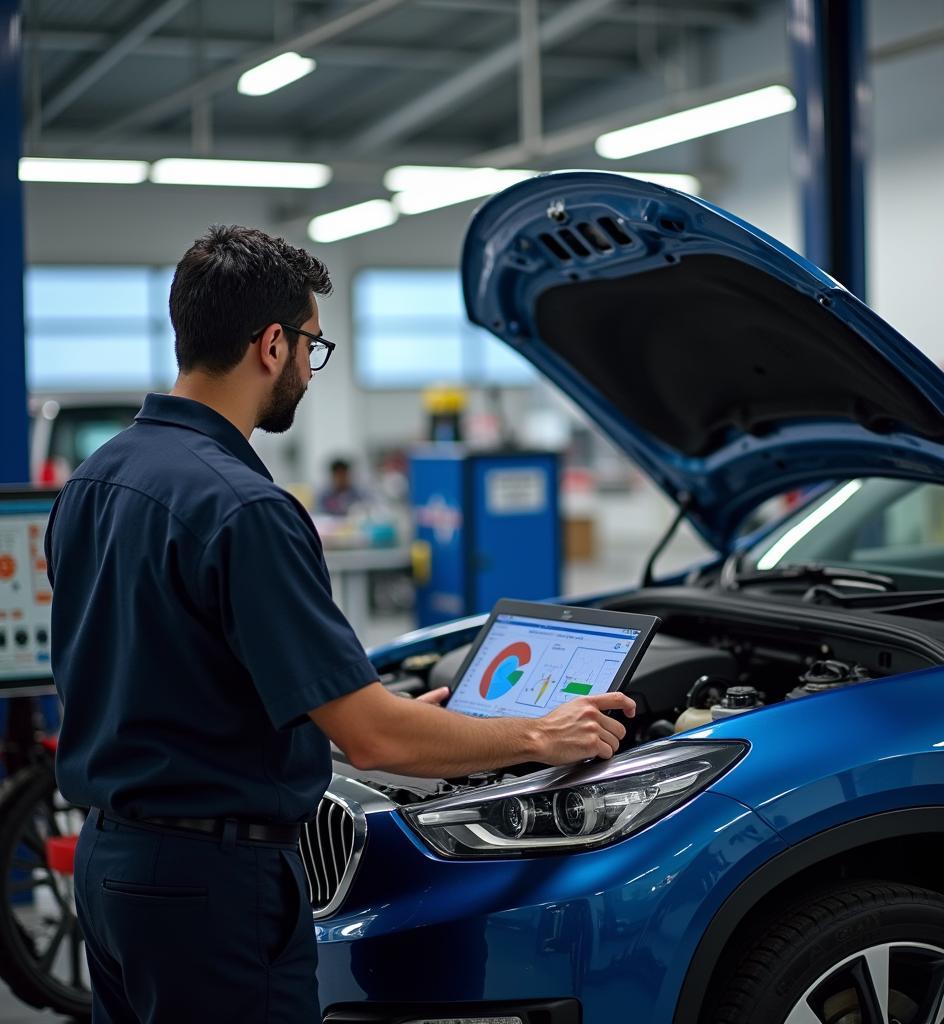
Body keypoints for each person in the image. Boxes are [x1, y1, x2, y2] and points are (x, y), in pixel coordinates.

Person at [44, 224, 635, 1024]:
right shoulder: (245, 508)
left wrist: (343, 723)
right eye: (313, 349)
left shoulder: (95, 480)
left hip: (111, 871)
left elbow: (174, 682)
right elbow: (378, 742)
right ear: (272, 344)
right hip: (212, 890)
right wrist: (540, 735)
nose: (311, 373)